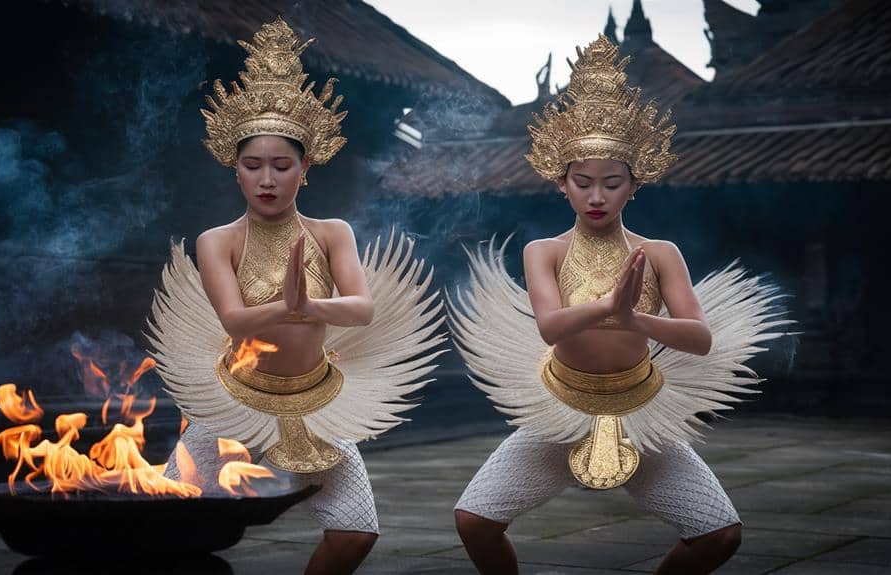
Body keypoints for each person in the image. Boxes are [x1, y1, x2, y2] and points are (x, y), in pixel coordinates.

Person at [449, 35, 791, 575]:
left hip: (641, 407)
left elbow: (698, 338)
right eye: (583, 182)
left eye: (612, 183)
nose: (597, 196)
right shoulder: (545, 252)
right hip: (558, 405)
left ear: (635, 185)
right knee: (474, 522)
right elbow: (550, 326)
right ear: (562, 184)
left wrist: (634, 318)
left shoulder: (659, 254)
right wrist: (609, 302)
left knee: (720, 535)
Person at [146, 17, 444, 575]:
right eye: (252, 165)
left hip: (316, 401)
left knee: (355, 533)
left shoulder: (332, 234)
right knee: (168, 518)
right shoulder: (218, 241)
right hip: (234, 398)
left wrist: (309, 306)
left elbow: (361, 308)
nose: (267, 179)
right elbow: (236, 321)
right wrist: (286, 305)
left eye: (281, 166)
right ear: (235, 171)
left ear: (304, 169)